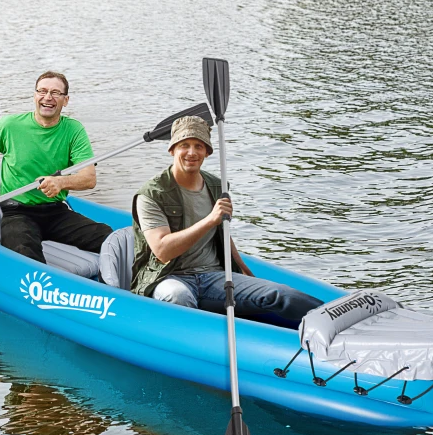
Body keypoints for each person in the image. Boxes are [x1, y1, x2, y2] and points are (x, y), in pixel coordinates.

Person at [131, 116, 321, 329]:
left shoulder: (217, 186)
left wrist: (241, 266)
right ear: (172, 150)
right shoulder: (151, 194)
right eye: (184, 145)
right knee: (179, 296)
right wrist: (210, 220)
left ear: (207, 152)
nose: (191, 152)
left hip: (213, 276)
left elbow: (222, 233)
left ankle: (339, 322)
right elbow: (162, 250)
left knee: (283, 295)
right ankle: (196, 351)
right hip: (168, 277)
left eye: (199, 146)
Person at [0, 71, 112, 263]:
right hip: (17, 212)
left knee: (109, 238)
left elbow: (89, 178)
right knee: (23, 251)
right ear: (35, 96)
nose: (48, 98)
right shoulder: (10, 126)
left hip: (56, 211)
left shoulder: (74, 130)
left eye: (55, 93)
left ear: (65, 100)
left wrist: (61, 182)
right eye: (42, 91)